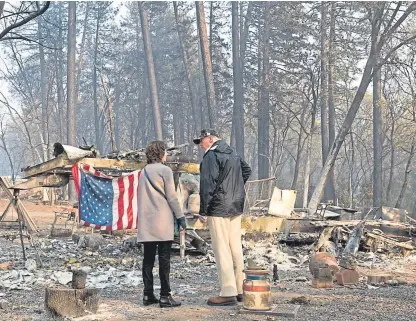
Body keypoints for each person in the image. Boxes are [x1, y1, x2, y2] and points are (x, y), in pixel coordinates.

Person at [193, 129, 251, 306]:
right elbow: (246, 170)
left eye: (201, 141)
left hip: (218, 206)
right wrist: (235, 190)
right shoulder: (232, 152)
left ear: (210, 139)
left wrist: (203, 210)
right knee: (236, 248)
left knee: (221, 248)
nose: (200, 146)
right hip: (236, 205)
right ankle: (241, 289)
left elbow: (207, 184)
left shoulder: (212, 156)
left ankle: (227, 291)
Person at [137, 140, 187, 308]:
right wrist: (180, 217)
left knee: (148, 260)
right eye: (165, 151)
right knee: (164, 260)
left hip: (146, 222)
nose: (166, 154)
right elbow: (172, 197)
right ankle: (165, 296)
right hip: (162, 221)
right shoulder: (165, 170)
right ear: (160, 153)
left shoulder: (143, 171)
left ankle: (147, 294)